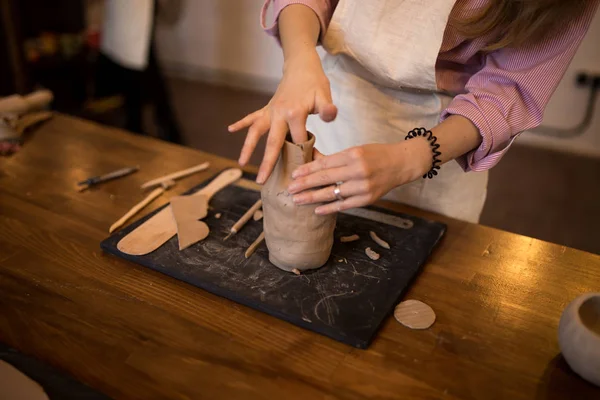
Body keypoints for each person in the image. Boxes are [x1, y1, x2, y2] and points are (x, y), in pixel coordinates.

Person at [229, 0, 598, 223]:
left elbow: (508, 92)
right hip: (340, 100)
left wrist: (411, 159)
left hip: (442, 137)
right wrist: (299, 59)